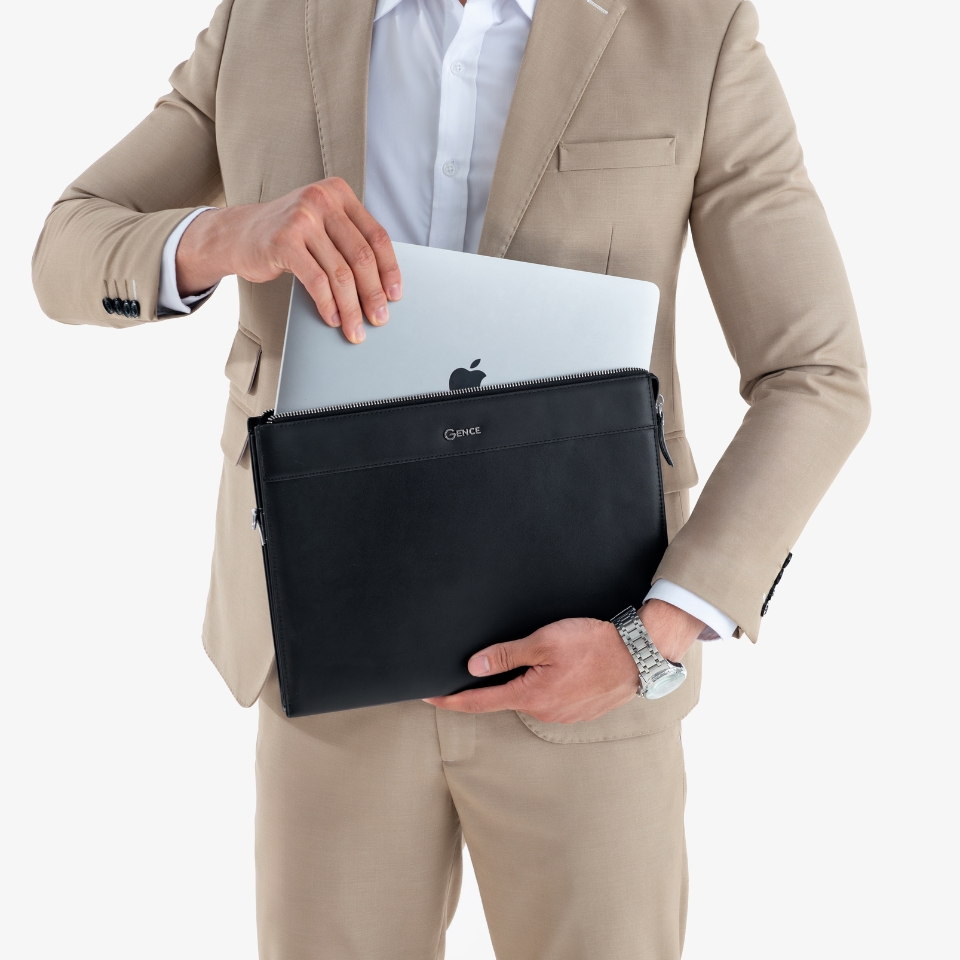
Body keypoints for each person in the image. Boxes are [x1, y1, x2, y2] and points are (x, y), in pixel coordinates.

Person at [31, 0, 869, 956]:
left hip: (593, 662)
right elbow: (66, 248)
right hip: (327, 654)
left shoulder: (690, 30)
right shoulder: (267, 18)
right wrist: (231, 234)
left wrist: (654, 638)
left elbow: (816, 374)